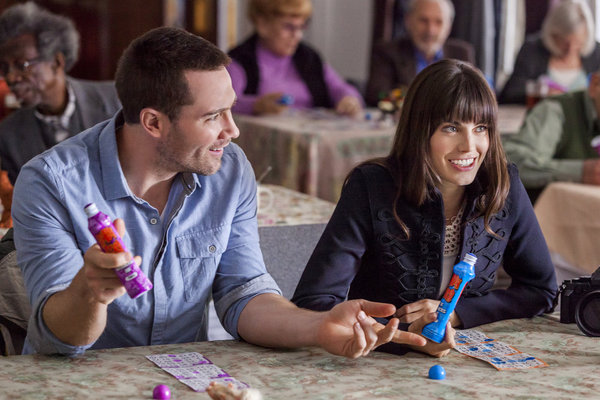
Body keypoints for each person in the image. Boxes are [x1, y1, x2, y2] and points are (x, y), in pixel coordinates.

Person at [12, 26, 427, 357]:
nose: (234, 130)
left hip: (182, 378)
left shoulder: (229, 170)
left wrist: (317, 327)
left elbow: (242, 293)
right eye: (214, 116)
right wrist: (90, 291)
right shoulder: (50, 183)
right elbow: (59, 341)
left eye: (231, 108)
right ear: (154, 123)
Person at [292, 59, 558, 357]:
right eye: (451, 128)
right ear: (420, 131)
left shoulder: (502, 184)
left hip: (469, 363)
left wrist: (455, 314)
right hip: (375, 364)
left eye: (480, 128)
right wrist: (404, 334)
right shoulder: (371, 186)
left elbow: (542, 290)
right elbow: (314, 303)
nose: (469, 146)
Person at [0, 2, 121, 185]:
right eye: (4, 68)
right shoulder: (8, 135)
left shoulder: (118, 100)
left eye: (21, 65)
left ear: (56, 61)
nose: (10, 77)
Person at [227, 0, 363, 117]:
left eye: (301, 26)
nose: (298, 36)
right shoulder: (240, 60)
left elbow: (340, 87)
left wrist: (348, 99)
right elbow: (225, 103)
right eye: (289, 27)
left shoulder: (309, 57)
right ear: (263, 25)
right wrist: (256, 105)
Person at [502, 71, 600, 203]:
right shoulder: (554, 111)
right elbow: (514, 162)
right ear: (595, 84)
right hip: (549, 217)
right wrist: (581, 171)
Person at [365, 0, 475, 107]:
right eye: (423, 20)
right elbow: (377, 95)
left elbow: (471, 96)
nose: (430, 30)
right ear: (408, 21)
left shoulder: (462, 53)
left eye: (438, 22)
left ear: (449, 27)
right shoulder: (386, 51)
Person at [499, 0, 600, 105]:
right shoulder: (532, 50)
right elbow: (510, 94)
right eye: (566, 43)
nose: (571, 49)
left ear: (587, 37)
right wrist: (543, 93)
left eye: (578, 43)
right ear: (553, 34)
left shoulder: (596, 53)